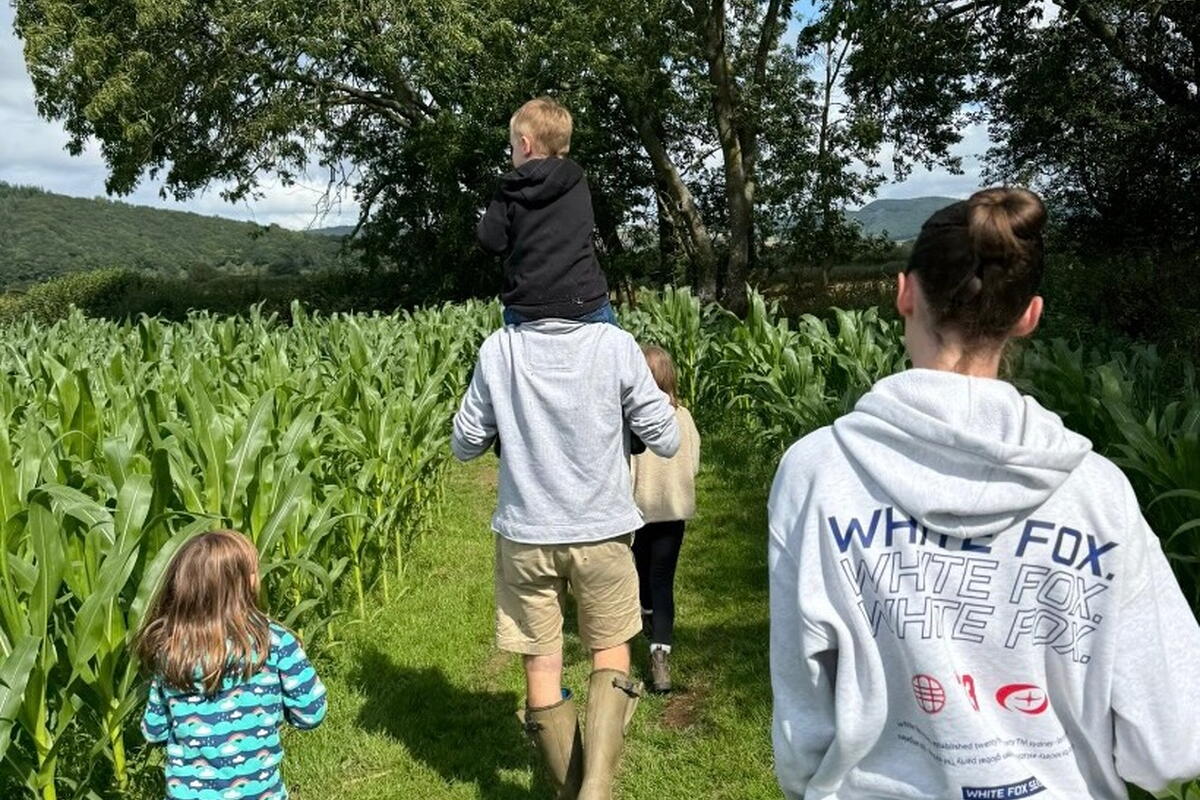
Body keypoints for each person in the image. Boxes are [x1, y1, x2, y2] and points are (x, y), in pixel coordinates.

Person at [768, 187, 1200, 799]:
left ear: (904, 293)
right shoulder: (1097, 494)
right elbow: (1171, 743)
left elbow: (802, 719)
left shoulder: (816, 473)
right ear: (1029, 315)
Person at [452, 320, 679, 800]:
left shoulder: (499, 348)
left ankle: (569, 790)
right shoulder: (615, 345)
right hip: (602, 529)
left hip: (526, 533)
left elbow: (465, 443)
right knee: (610, 650)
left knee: (541, 666)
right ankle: (596, 790)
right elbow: (666, 437)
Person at [137, 530, 327, 800]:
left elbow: (153, 729)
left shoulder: (171, 651)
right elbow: (311, 712)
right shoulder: (274, 642)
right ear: (244, 584)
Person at [476, 96, 615, 327]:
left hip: (528, 307)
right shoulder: (577, 179)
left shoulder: (509, 187)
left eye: (512, 148)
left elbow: (491, 242)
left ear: (525, 145)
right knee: (618, 356)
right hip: (585, 300)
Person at [630, 345, 700, 694]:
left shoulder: (632, 420)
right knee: (662, 580)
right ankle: (660, 656)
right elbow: (694, 462)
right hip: (673, 512)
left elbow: (625, 469)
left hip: (639, 511)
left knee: (641, 574)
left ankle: (646, 620)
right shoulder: (683, 417)